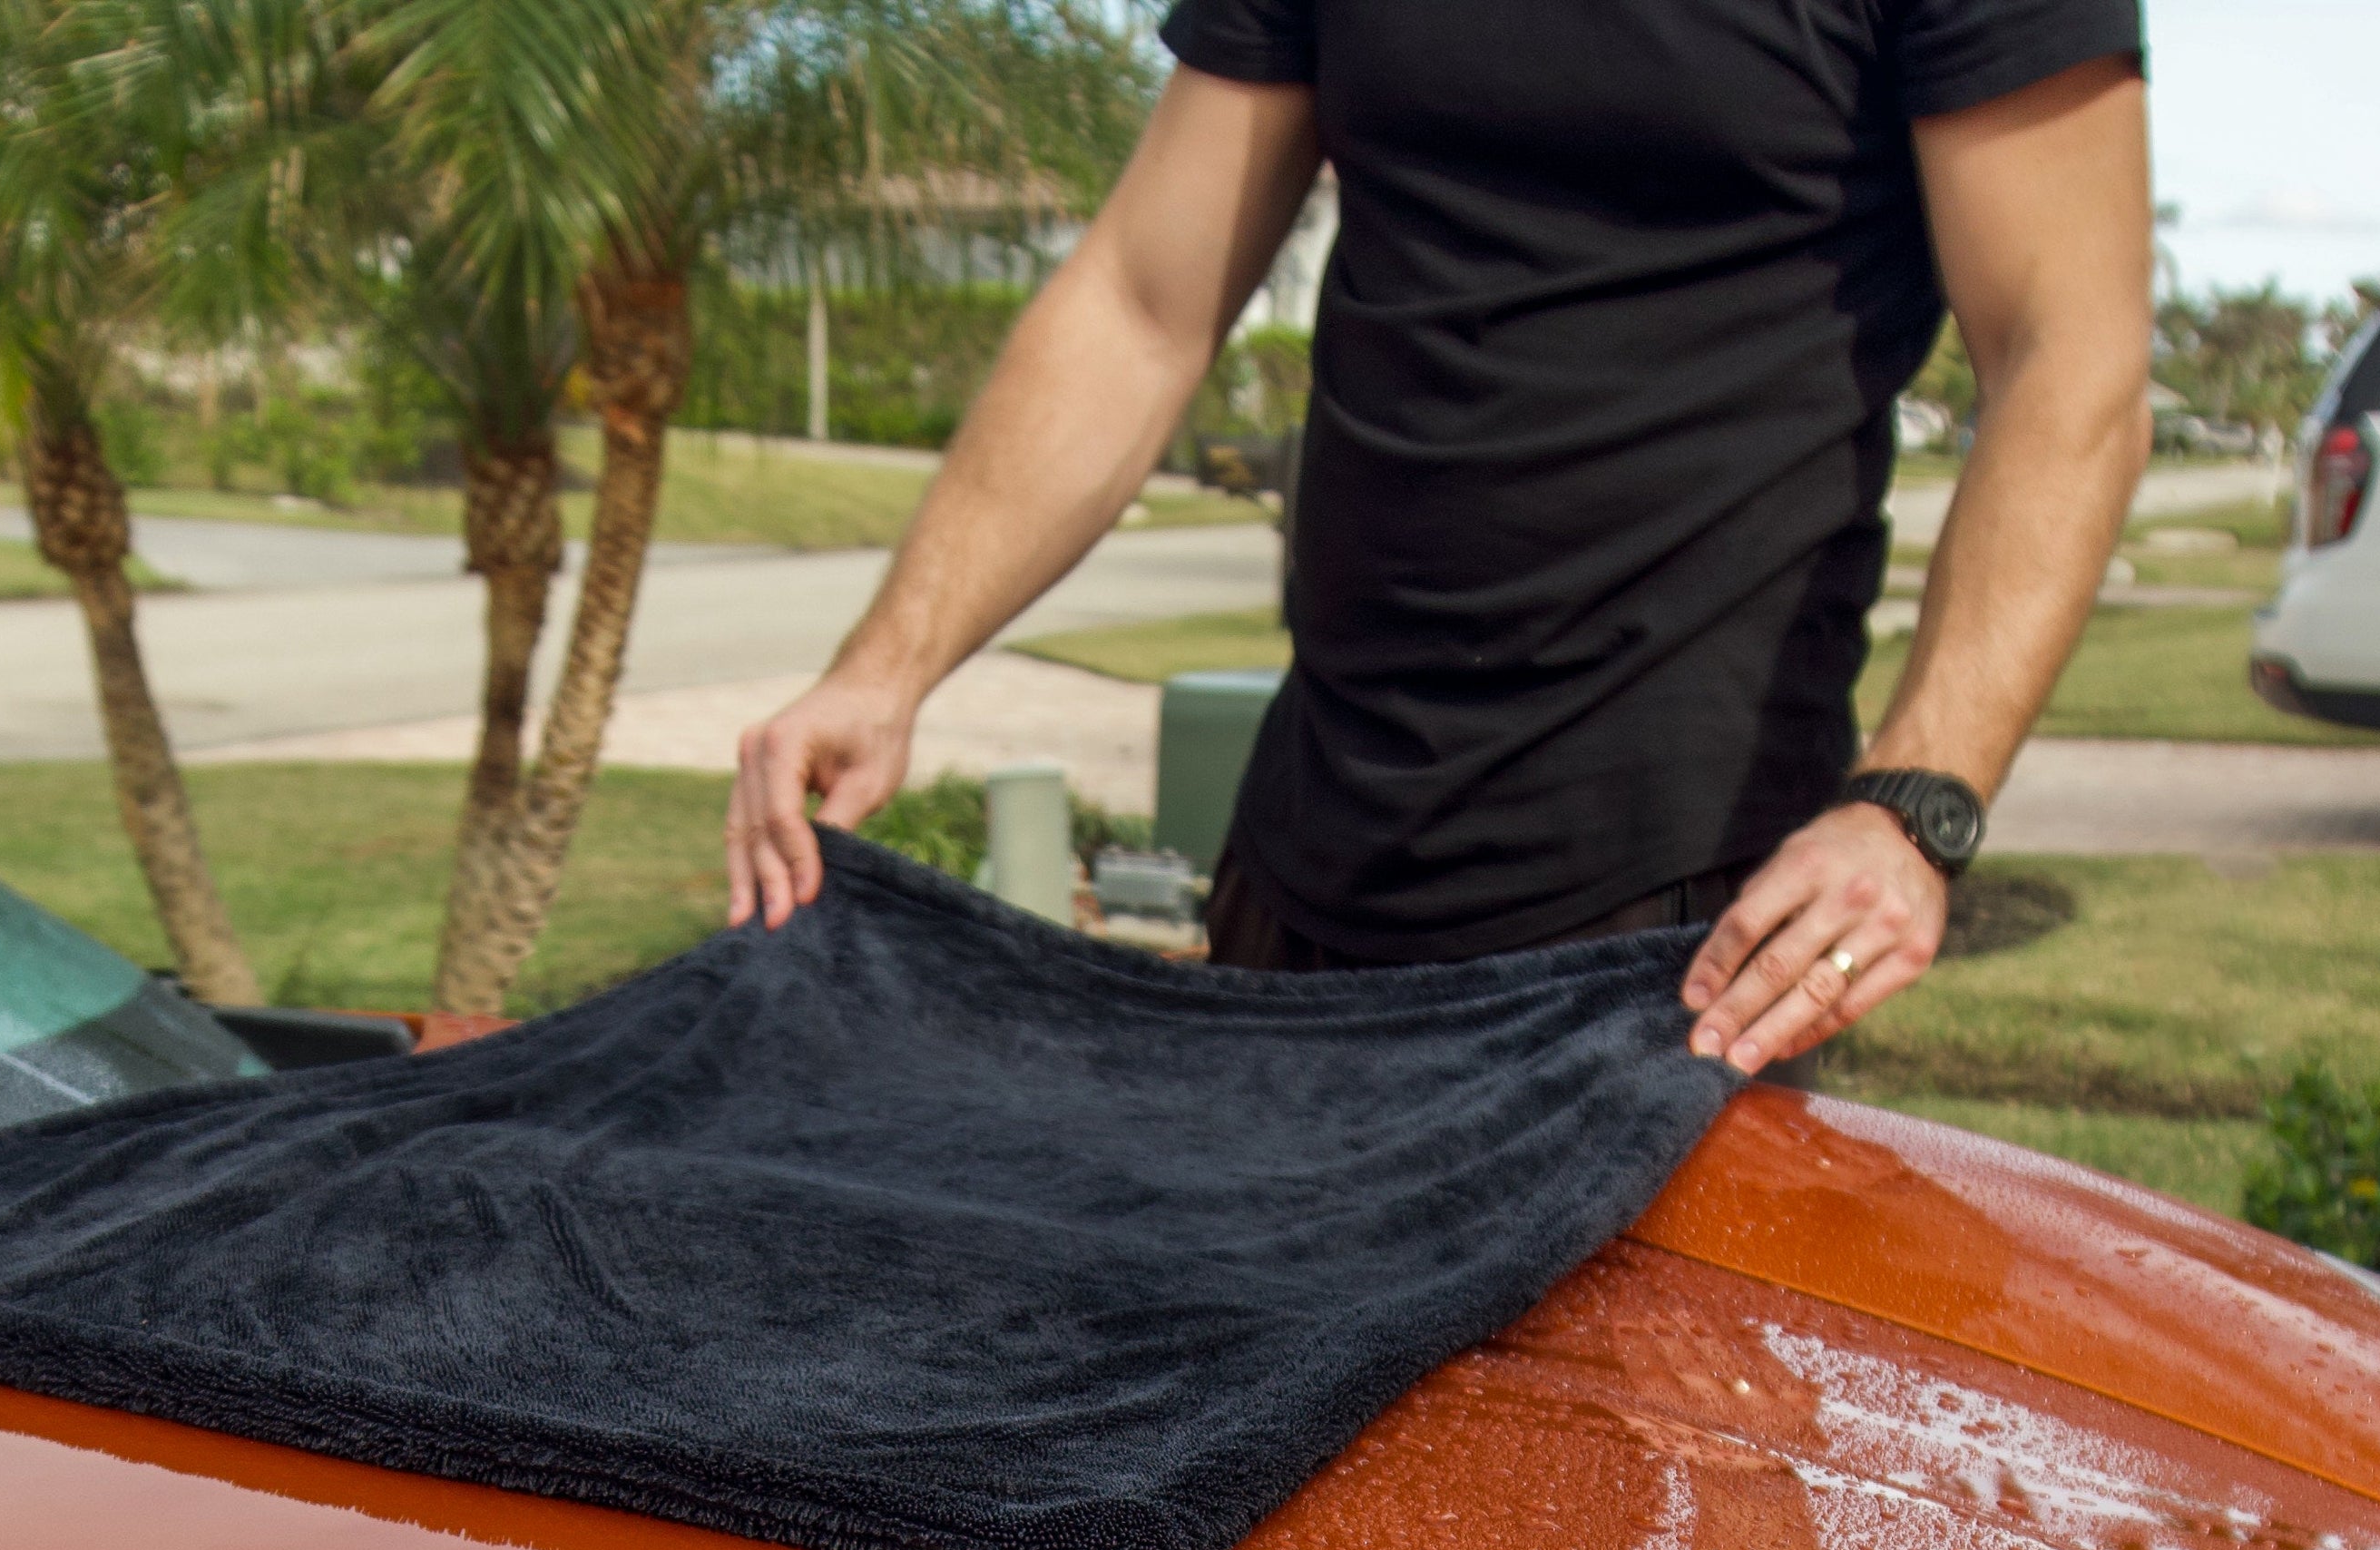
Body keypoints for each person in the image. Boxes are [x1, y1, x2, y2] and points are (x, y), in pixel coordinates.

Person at [721, 1, 2153, 1080]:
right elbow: (1144, 299)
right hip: (1304, 871)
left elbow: (2068, 355)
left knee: (1608, 1473)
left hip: (1683, 925)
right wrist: (884, 664)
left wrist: (1916, 805)